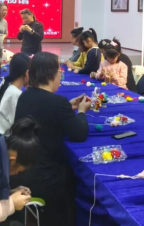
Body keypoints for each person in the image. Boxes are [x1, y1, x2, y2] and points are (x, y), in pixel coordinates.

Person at [11, 52, 91, 226]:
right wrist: (81, 111)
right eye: (59, 71)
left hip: (21, 170)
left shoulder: (25, 96)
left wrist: (67, 106)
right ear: (51, 75)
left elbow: (44, 113)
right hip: (45, 176)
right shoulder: (57, 103)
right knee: (73, 176)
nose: (60, 75)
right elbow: (79, 133)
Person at [0, 53, 31, 136]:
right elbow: (17, 124)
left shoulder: (7, 84)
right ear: (27, 73)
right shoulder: (16, 94)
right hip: (3, 136)